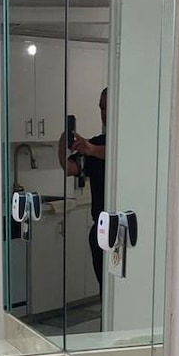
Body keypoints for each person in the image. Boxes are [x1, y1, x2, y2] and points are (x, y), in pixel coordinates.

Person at [58, 87, 107, 296]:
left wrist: (92, 150)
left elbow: (120, 154)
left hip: (125, 231)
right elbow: (70, 168)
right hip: (101, 230)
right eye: (101, 108)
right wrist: (63, 142)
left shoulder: (135, 143)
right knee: (106, 292)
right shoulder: (95, 143)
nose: (104, 113)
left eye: (108, 107)